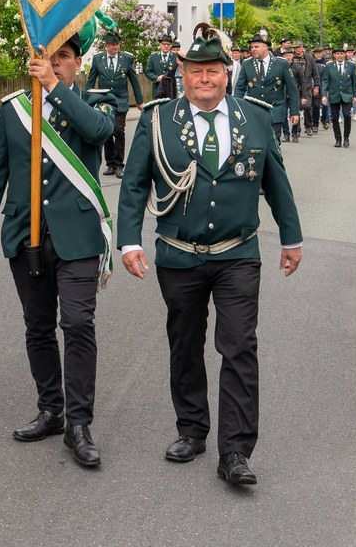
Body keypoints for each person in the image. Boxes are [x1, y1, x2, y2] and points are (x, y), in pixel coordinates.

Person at [117, 24, 303, 487]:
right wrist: (129, 241)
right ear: (183, 75)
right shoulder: (158, 120)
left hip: (238, 252)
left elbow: (275, 180)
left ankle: (236, 450)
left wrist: (291, 238)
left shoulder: (255, 117)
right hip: (179, 254)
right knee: (185, 344)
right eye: (196, 71)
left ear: (226, 74)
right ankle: (192, 429)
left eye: (213, 70)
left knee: (239, 346)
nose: (205, 78)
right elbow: (135, 184)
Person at [0, 31, 116, 469]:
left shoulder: (97, 103)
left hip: (78, 235)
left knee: (77, 323)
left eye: (64, 56)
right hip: (26, 234)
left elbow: (99, 132)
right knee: (37, 327)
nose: (55, 63)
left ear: (78, 63)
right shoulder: (14, 108)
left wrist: (53, 89)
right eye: (48, 56)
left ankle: (79, 424)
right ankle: (51, 409)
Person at [87, 30, 144, 176]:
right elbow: (91, 80)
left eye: (117, 44)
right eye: (112, 44)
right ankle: (110, 164)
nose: (115, 47)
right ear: (106, 45)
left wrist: (140, 102)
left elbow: (134, 81)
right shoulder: (97, 59)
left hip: (121, 101)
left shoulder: (127, 59)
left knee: (118, 130)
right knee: (107, 132)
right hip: (105, 101)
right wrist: (87, 99)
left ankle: (119, 165)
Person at [234, 32, 299, 143]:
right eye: (251, 47)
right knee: (255, 144)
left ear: (265, 47)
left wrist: (294, 112)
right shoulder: (247, 64)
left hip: (275, 110)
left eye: (256, 47)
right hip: (253, 111)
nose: (253, 50)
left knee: (273, 142)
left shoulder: (281, 64)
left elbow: (292, 89)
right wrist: (236, 109)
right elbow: (240, 88)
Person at [322, 46, 356, 148]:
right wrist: (324, 95)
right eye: (337, 54)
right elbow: (325, 81)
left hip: (347, 94)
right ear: (334, 55)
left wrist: (355, 95)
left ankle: (346, 137)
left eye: (341, 53)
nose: (339, 56)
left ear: (345, 54)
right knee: (334, 117)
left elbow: (354, 81)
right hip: (334, 94)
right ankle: (338, 139)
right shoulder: (329, 66)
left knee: (347, 115)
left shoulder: (351, 65)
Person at [146, 35, 180, 101]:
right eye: (164, 44)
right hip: (157, 89)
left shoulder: (176, 57)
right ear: (160, 45)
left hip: (172, 89)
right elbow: (148, 72)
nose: (166, 46)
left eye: (168, 44)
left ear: (171, 45)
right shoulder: (153, 57)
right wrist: (157, 78)